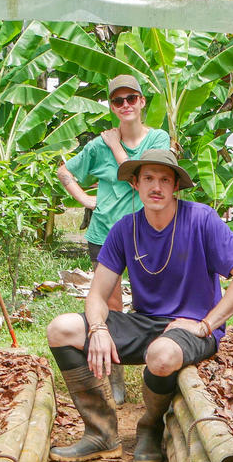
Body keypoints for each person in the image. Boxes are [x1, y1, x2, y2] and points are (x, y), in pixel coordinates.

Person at [46, 149, 233, 462]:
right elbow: (97, 294)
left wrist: (205, 325)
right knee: (61, 329)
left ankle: (151, 424)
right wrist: (98, 328)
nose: (156, 187)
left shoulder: (201, 219)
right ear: (135, 183)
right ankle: (101, 433)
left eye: (164, 180)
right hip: (145, 322)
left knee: (162, 356)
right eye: (148, 178)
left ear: (175, 187)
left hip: (191, 327)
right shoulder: (124, 229)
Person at [56, 74, 169, 404]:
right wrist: (86, 200)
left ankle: (160, 366)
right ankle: (115, 380)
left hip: (146, 234)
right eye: (118, 101)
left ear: (142, 102)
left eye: (131, 99)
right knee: (112, 306)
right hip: (105, 234)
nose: (125, 106)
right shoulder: (96, 146)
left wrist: (115, 145)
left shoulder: (157, 139)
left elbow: (139, 177)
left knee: (153, 300)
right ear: (111, 105)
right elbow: (65, 171)